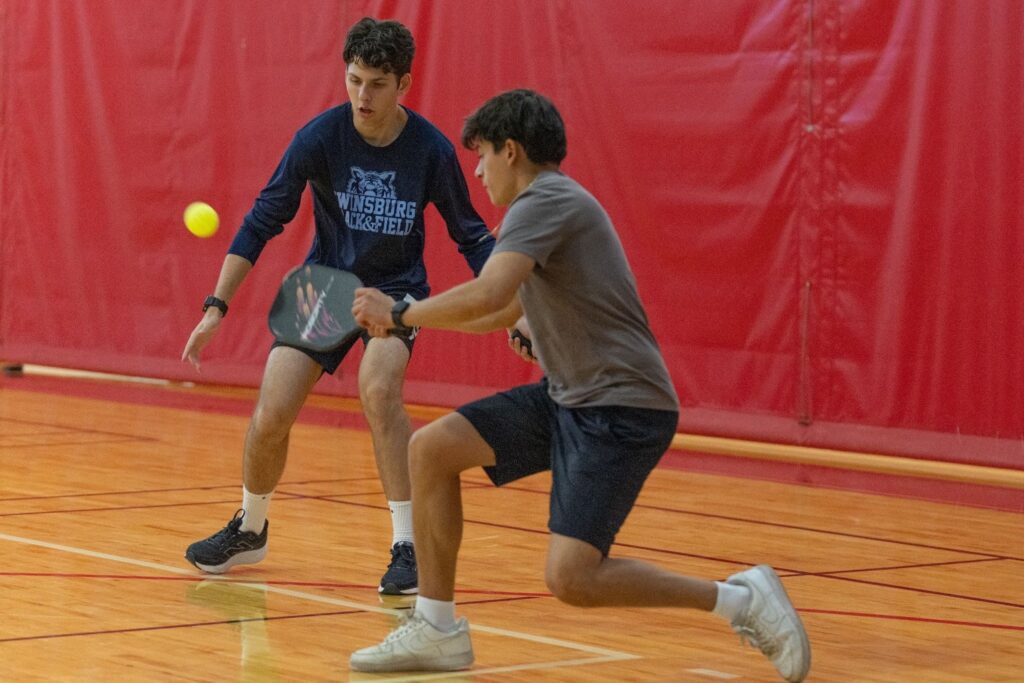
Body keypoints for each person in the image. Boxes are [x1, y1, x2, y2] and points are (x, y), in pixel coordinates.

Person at [348, 89, 811, 681]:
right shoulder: (546, 207)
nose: (478, 169)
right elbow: (503, 308)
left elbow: (489, 294)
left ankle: (741, 599)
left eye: (484, 155)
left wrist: (402, 312)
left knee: (572, 578)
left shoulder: (544, 200)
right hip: (569, 394)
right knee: (432, 449)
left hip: (621, 407)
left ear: (511, 151)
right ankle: (437, 629)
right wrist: (527, 325)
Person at [180, 17, 495, 596]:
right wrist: (216, 307)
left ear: (403, 83)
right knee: (271, 410)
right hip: (323, 287)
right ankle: (251, 528)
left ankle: (408, 546)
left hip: (396, 289)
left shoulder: (429, 150)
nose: (362, 95)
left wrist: (516, 304)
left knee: (378, 391)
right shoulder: (319, 137)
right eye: (353, 80)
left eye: (377, 83)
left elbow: (472, 235)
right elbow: (262, 220)